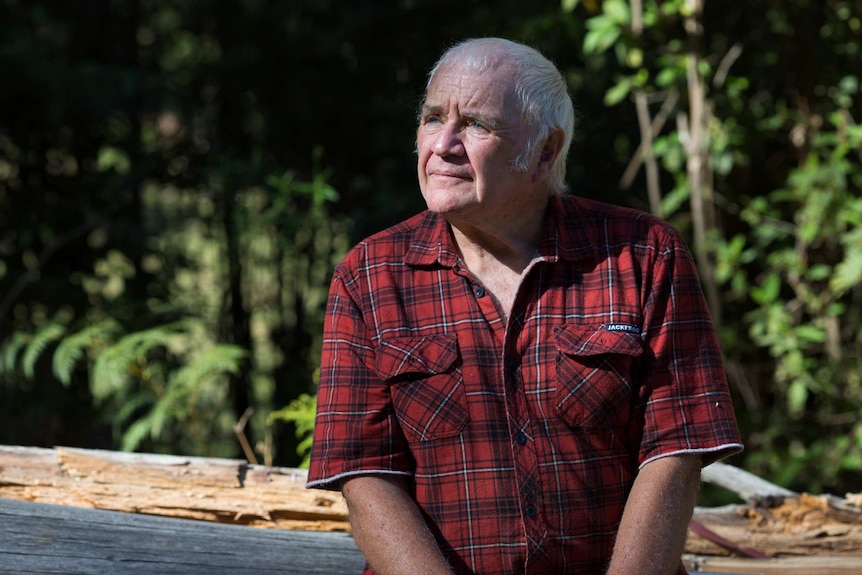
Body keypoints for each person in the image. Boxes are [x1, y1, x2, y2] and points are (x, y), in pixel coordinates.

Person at [306, 37, 743, 575]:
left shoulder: (644, 255)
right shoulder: (370, 275)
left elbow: (675, 450)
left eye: (476, 125)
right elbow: (366, 474)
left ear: (543, 152)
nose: (443, 144)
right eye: (432, 118)